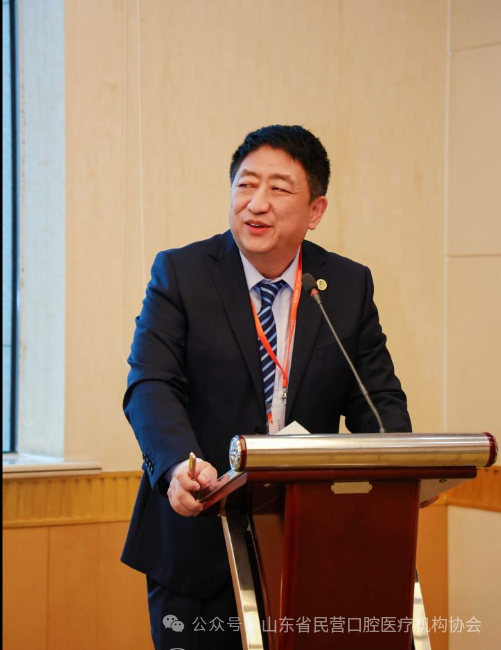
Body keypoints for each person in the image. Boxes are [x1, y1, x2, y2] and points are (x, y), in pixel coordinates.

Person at [121, 124, 412, 650]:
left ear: (316, 210)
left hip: (307, 544)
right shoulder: (183, 273)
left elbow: (378, 397)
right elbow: (150, 383)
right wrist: (177, 465)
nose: (256, 204)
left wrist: (400, 468)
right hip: (199, 544)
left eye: (278, 189)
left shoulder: (345, 286)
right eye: (245, 184)